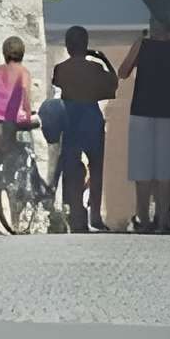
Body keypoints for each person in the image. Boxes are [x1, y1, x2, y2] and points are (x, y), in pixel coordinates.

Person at [119, 21, 170, 233]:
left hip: (142, 112)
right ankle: (163, 220)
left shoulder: (142, 45)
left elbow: (123, 72)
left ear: (152, 27)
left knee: (142, 171)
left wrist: (138, 42)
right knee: (165, 171)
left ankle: (143, 220)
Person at [48, 26, 118, 233]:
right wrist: (103, 58)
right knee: (96, 168)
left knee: (71, 167)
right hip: (91, 117)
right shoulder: (95, 69)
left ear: (68, 46)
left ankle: (74, 212)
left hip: (70, 118)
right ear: (86, 45)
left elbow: (57, 85)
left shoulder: (60, 69)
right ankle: (94, 215)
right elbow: (113, 84)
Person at [0, 35, 39, 234]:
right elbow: (24, 94)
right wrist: (27, 115)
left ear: (4, 53)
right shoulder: (23, 72)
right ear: (22, 53)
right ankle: (15, 223)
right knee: (12, 174)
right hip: (8, 126)